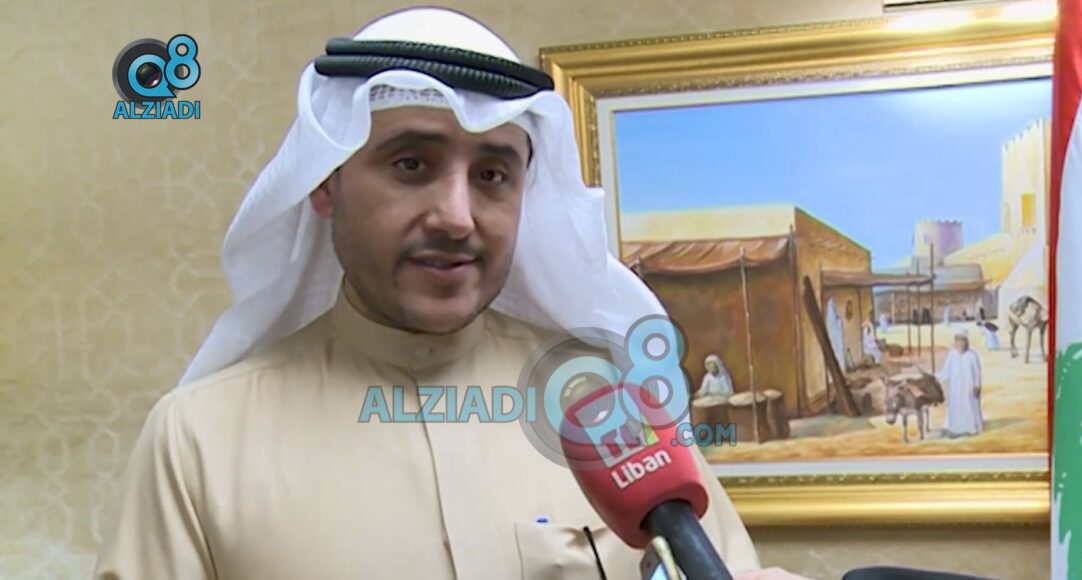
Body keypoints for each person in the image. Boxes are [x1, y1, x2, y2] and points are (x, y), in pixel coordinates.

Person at [91, 7, 810, 580]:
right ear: (325, 184)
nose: (457, 217)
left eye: (493, 175)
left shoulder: (609, 404)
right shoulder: (199, 442)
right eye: (411, 165)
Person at [936, 332, 984, 437]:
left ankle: (972, 428)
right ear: (955, 343)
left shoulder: (972, 355)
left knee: (970, 406)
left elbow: (977, 372)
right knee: (956, 407)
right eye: (958, 341)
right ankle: (956, 429)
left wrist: (977, 386)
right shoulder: (952, 355)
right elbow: (946, 372)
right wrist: (936, 377)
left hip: (969, 388)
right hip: (956, 388)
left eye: (963, 341)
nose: (961, 343)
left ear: (966, 342)